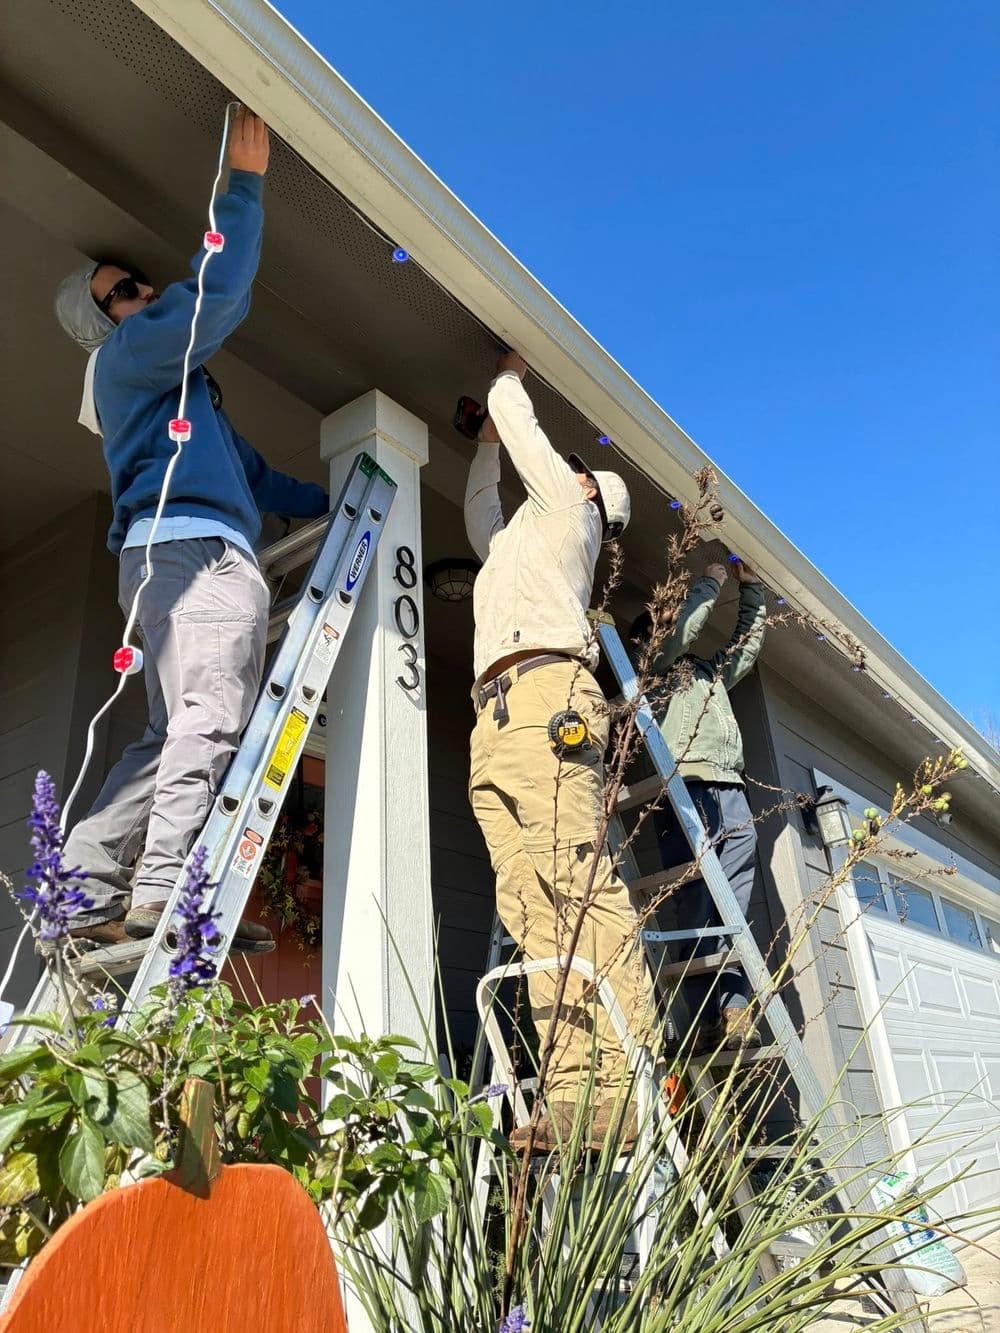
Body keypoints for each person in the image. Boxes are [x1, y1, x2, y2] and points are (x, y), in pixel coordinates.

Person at [51, 107, 329, 955]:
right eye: (124, 292)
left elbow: (253, 474)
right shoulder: (129, 358)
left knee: (167, 731)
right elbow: (215, 298)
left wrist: (332, 498)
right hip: (194, 555)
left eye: (134, 281)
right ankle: (168, 887)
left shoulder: (183, 398)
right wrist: (241, 186)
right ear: (107, 324)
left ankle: (82, 882)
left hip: (167, 555)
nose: (143, 290)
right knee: (210, 717)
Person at [464, 350, 654, 1151]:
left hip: (551, 695)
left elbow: (520, 426)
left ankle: (631, 1082)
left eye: (573, 470)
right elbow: (480, 507)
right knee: (528, 901)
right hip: (495, 715)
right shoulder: (514, 546)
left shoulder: (572, 517)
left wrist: (505, 376)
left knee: (575, 880)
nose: (562, 470)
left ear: (589, 496)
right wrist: (477, 441)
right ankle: (575, 1092)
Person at [636, 559, 767, 1051]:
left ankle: (733, 1009)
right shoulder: (656, 667)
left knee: (731, 901)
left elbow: (748, 647)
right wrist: (711, 580)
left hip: (730, 788)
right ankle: (705, 1018)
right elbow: (681, 633)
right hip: (683, 790)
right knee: (694, 903)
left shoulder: (711, 675)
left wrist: (750, 588)